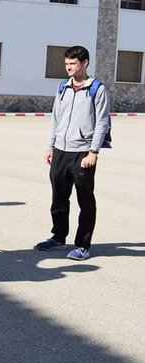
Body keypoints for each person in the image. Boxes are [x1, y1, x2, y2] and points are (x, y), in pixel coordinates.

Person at [35, 45, 110, 261]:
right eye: (66, 64)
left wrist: (93, 152)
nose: (68, 68)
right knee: (58, 198)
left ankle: (83, 245)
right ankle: (58, 237)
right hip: (60, 150)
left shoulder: (96, 89)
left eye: (73, 64)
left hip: (82, 152)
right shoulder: (63, 87)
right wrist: (50, 146)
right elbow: (55, 118)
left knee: (85, 200)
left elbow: (102, 123)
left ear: (85, 63)